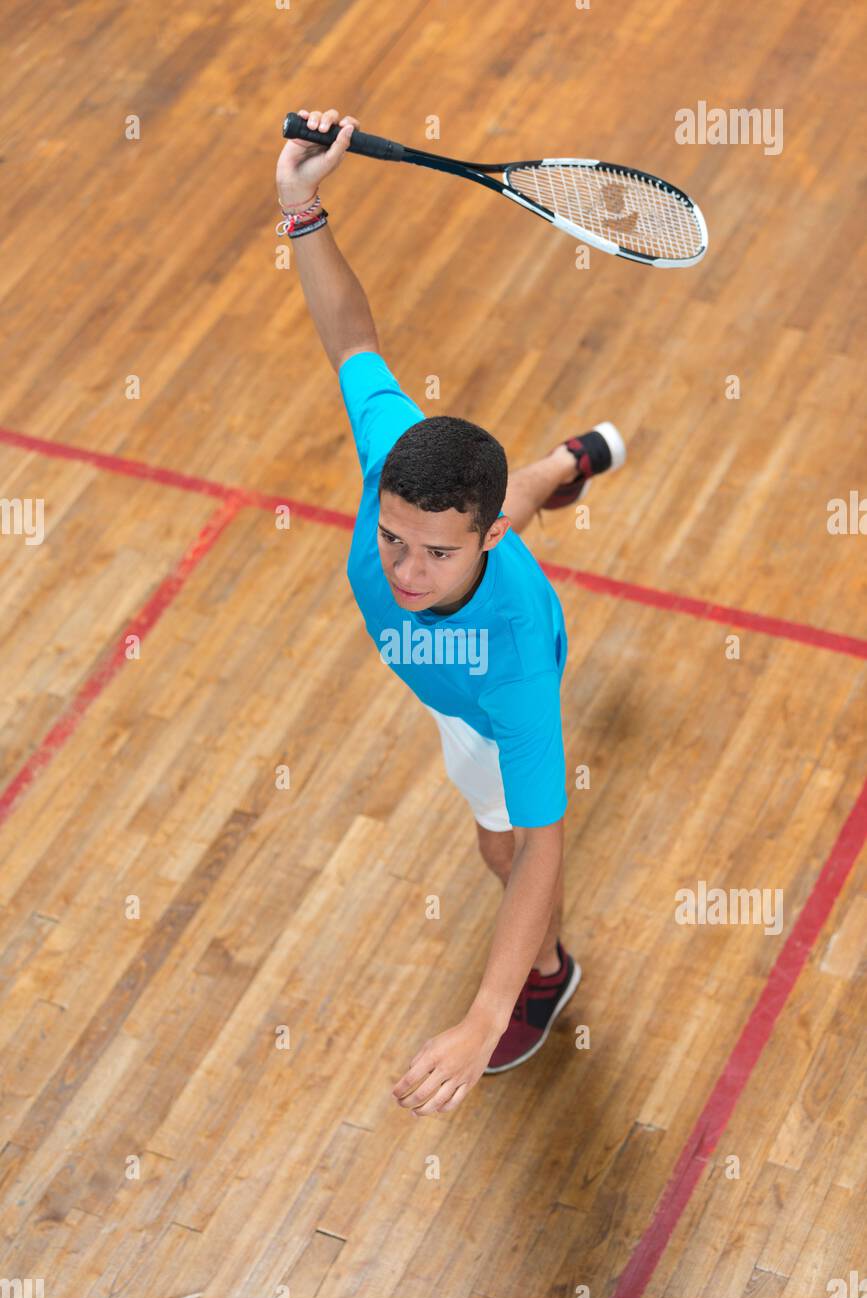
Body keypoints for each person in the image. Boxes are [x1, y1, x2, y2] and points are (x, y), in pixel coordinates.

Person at [275, 108, 626, 1117]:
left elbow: (545, 837)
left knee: (499, 848)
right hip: (484, 549)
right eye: (392, 539)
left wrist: (485, 1010)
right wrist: (303, 209)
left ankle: (549, 976)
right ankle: (570, 461)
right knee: (495, 498)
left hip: (467, 691)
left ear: (483, 543)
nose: (403, 570)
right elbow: (352, 334)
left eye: (433, 551)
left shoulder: (511, 668)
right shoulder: (401, 463)